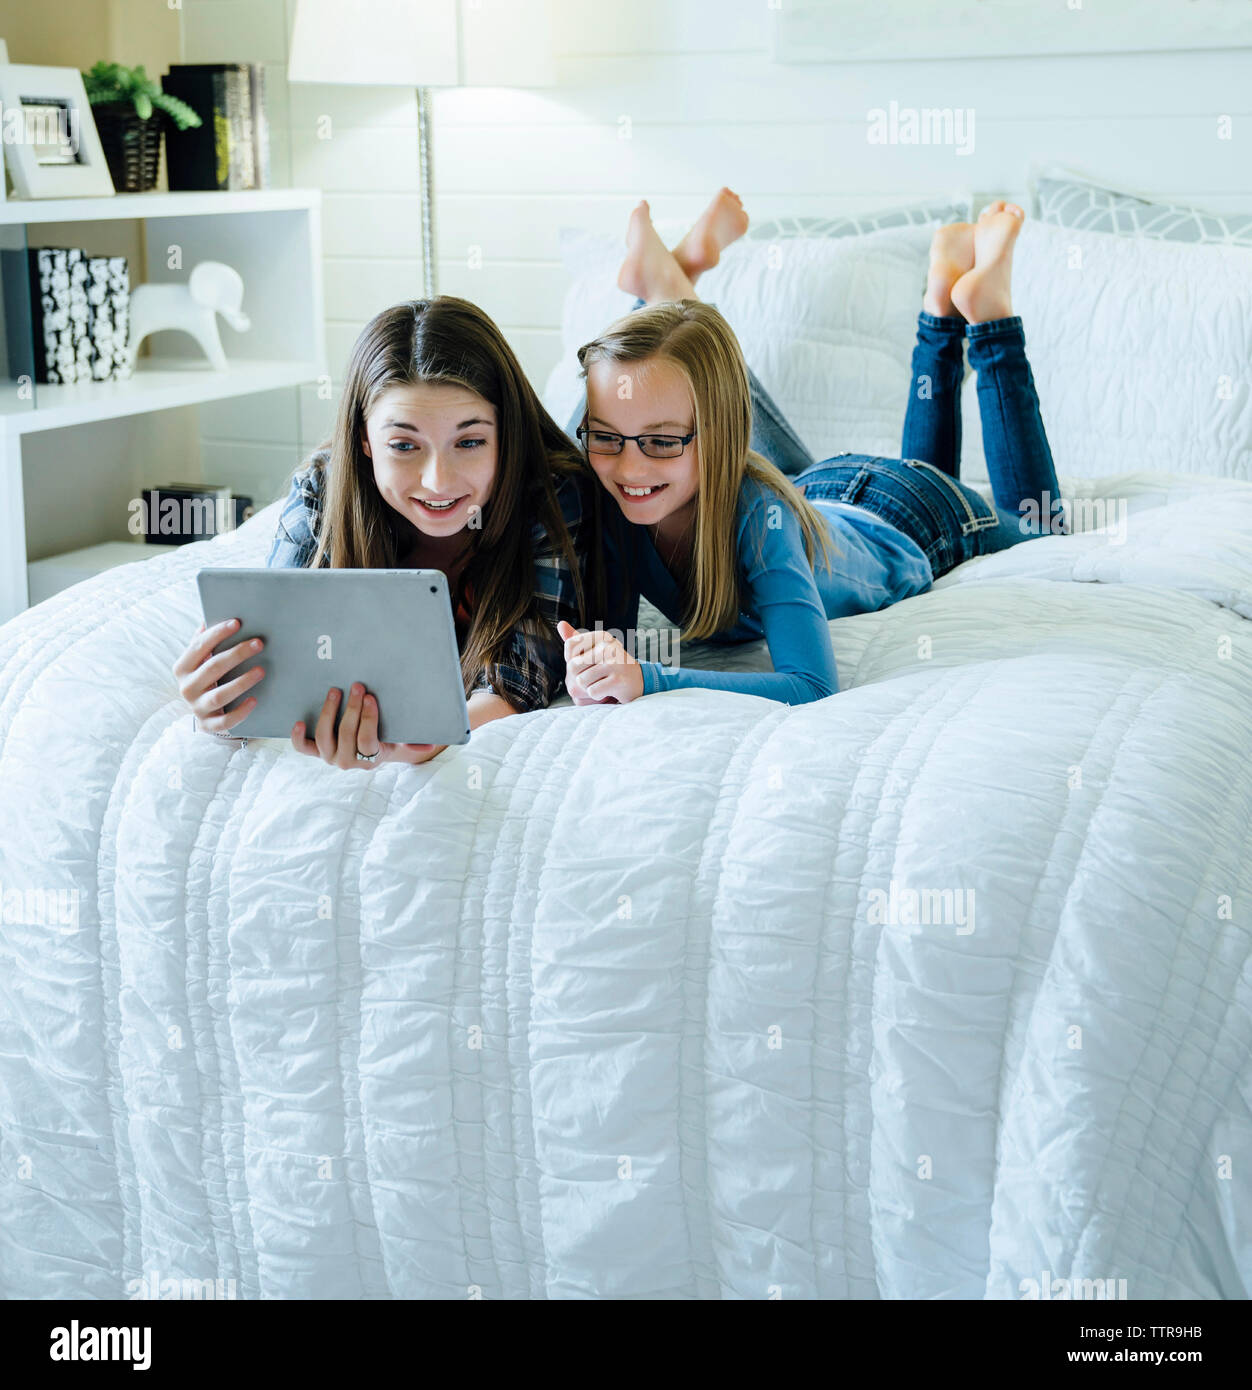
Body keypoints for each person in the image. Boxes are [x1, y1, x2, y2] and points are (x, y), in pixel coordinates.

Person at [558, 190, 1063, 706]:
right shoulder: (608, 491)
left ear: (726, 436)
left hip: (911, 513)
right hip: (811, 485)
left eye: (662, 441)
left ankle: (989, 317)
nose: (628, 467)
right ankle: (668, 288)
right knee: (675, 370)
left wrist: (652, 678)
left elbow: (811, 684)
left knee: (1045, 528)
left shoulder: (758, 522)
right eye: (604, 438)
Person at [173, 297, 598, 767]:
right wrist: (221, 705)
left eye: (470, 441)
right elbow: (282, 660)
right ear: (364, 440)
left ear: (507, 433)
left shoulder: (551, 493)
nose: (438, 480)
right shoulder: (324, 484)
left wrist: (423, 738)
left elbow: (521, 680)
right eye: (403, 445)